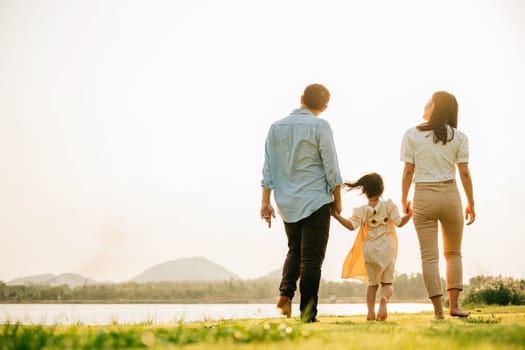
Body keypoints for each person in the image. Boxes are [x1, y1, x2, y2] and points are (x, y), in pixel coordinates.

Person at [260, 83, 343, 323]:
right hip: (316, 200)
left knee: (295, 250)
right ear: (325, 107)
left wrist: (265, 202)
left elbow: (268, 169)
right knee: (312, 260)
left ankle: (285, 295)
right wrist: (337, 200)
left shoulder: (276, 128)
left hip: (287, 202)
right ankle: (307, 314)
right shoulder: (321, 126)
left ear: (302, 98)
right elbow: (331, 166)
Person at [400, 91, 476, 319]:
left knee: (429, 257)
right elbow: (464, 172)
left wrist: (404, 199)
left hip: (422, 194)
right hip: (450, 194)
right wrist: (471, 203)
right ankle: (455, 306)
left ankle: (438, 311)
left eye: (429, 100)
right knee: (453, 253)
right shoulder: (460, 137)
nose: (425, 103)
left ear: (435, 106)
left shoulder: (411, 134)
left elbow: (407, 171)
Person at [333, 173, 412, 321]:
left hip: (369, 250)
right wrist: (410, 214)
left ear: (364, 191)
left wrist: (337, 216)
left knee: (372, 284)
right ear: (382, 189)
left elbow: (351, 226)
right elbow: (399, 222)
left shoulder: (361, 210)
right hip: (387, 248)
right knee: (387, 283)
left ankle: (370, 313)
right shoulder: (388, 205)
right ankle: (384, 300)